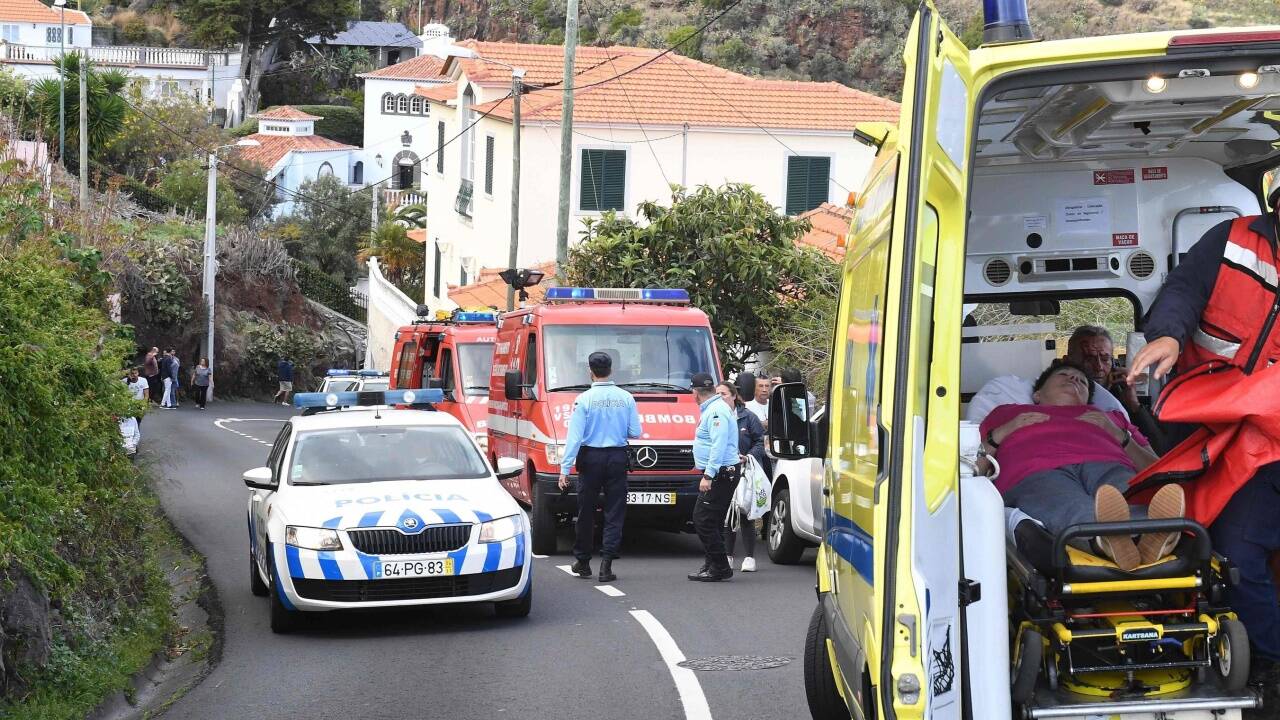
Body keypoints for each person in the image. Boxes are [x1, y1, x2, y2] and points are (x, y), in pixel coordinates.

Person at [1127, 195, 1280, 688]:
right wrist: (1168, 336)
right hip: (1218, 428)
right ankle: (1271, 662)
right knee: (1234, 552)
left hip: (1271, 432)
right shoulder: (1233, 240)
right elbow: (1182, 291)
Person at [979, 359, 1179, 571]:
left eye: (1082, 382)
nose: (1073, 379)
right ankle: (1138, 537)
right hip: (1035, 470)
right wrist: (1001, 433)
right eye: (1064, 375)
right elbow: (971, 468)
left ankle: (1129, 539)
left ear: (1088, 401)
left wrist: (1121, 436)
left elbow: (1159, 469)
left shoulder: (1111, 417)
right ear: (1037, 394)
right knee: (1069, 503)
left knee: (1122, 489)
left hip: (1107, 463)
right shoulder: (1006, 413)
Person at [557, 351, 642, 582]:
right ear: (611, 370)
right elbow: (636, 432)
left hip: (590, 458)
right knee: (615, 511)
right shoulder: (626, 398)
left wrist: (565, 470)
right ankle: (607, 565)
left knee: (586, 511)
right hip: (617, 458)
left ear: (590, 371)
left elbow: (574, 438)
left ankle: (583, 561)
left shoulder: (583, 399)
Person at [688, 372, 742, 582]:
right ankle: (711, 564)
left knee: (702, 519)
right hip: (721, 472)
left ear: (695, 392)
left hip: (720, 473)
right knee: (714, 520)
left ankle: (720, 566)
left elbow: (718, 446)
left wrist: (708, 475)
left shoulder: (716, 411)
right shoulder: (715, 408)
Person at [718, 382, 767, 573]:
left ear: (733, 395)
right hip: (724, 471)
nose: (719, 396)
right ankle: (728, 556)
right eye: (717, 393)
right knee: (728, 515)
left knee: (745, 513)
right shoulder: (716, 415)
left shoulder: (748, 417)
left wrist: (748, 456)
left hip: (746, 472)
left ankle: (749, 557)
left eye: (722, 393)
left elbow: (760, 442)